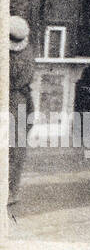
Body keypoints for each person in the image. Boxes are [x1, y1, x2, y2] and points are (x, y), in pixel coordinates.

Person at [8, 17, 34, 223]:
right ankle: (12, 191)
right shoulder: (29, 52)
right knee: (17, 150)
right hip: (23, 100)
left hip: (10, 100)